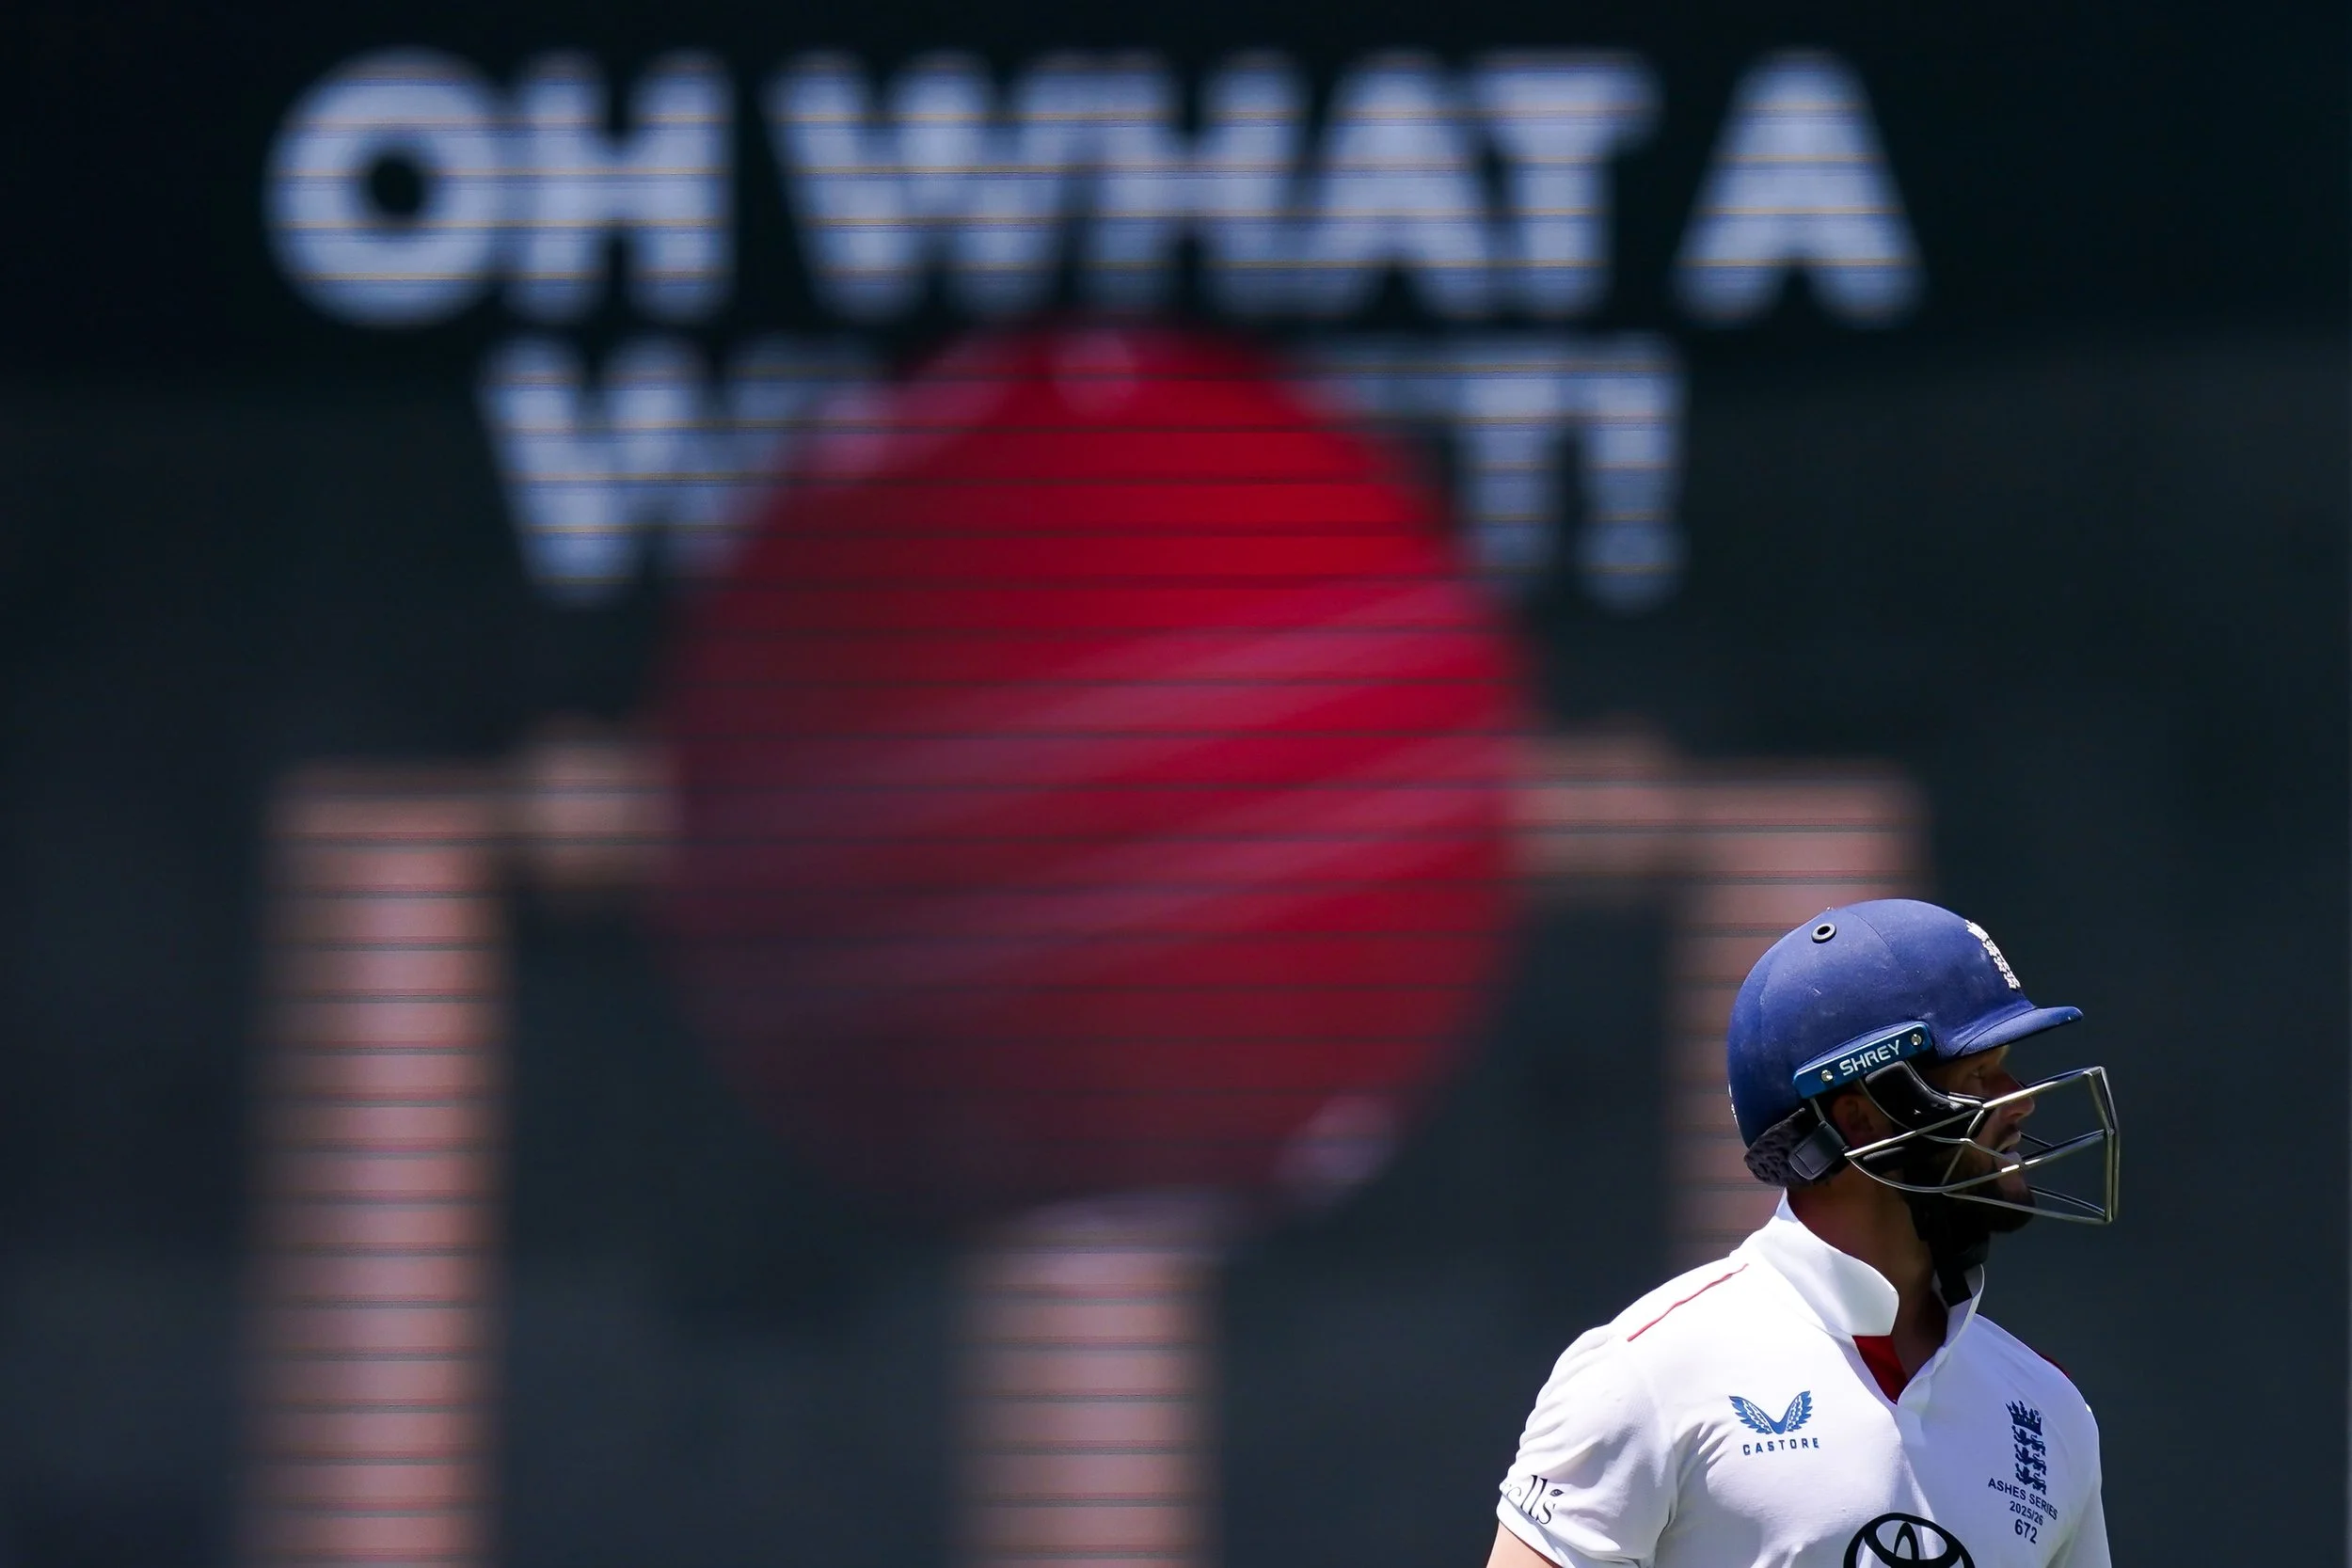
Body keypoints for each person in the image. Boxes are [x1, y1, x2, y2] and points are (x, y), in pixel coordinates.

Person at [1488, 899, 2119, 1567]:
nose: (2020, 1099)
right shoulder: (1648, 1372)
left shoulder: (2048, 1406)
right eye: (1976, 1074)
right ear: (1861, 1119)